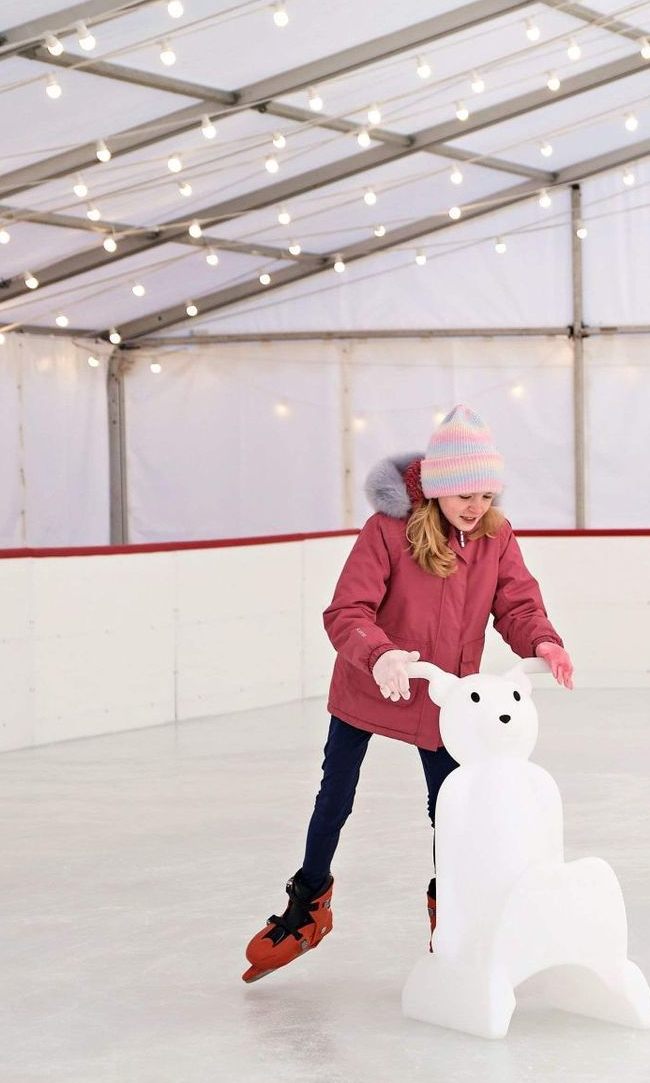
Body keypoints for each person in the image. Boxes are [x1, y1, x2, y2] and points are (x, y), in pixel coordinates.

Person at [243, 405, 574, 984]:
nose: (477, 507)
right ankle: (309, 903)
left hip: (444, 698)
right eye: (466, 494)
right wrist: (380, 654)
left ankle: (454, 912)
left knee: (450, 809)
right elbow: (346, 610)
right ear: (440, 487)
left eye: (488, 495)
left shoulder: (495, 537)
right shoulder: (388, 532)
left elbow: (518, 604)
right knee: (334, 797)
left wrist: (543, 642)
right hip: (374, 680)